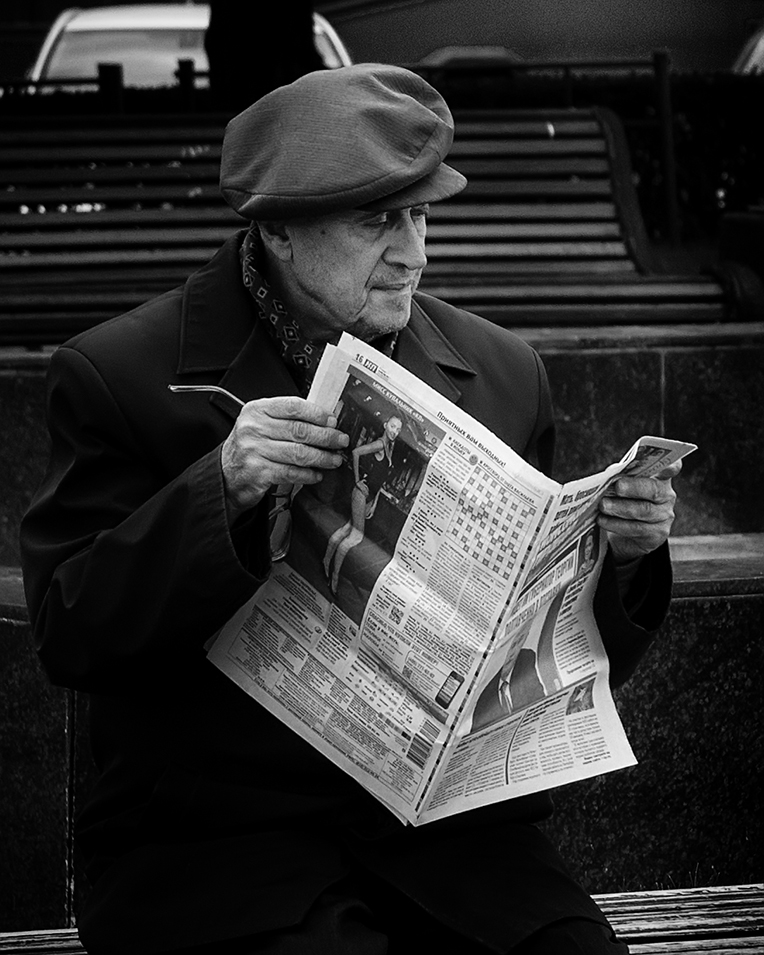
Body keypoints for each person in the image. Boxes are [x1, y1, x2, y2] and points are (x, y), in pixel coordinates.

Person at [20, 64, 680, 955]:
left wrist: (627, 558)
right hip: (215, 848)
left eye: (421, 215)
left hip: (453, 851)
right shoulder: (121, 374)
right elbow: (69, 629)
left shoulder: (502, 372)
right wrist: (221, 489)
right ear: (281, 231)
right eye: (379, 221)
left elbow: (550, 650)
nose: (414, 252)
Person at [323, 414, 402, 595]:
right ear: (385, 425)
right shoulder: (380, 444)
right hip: (360, 494)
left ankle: (326, 561)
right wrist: (357, 480)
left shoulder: (389, 447)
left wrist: (374, 503)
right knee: (356, 537)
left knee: (346, 529)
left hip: (369, 497)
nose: (395, 432)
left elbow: (380, 480)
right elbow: (356, 452)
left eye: (398, 429)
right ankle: (334, 576)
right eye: (392, 426)